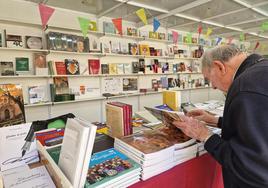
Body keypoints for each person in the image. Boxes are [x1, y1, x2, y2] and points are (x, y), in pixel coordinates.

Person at [173, 45, 268, 188]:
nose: (212, 87)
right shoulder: (260, 69)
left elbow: (249, 164)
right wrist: (214, 120)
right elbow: (259, 127)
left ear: (219, 67)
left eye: (209, 79)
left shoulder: (246, 87)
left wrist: (205, 136)